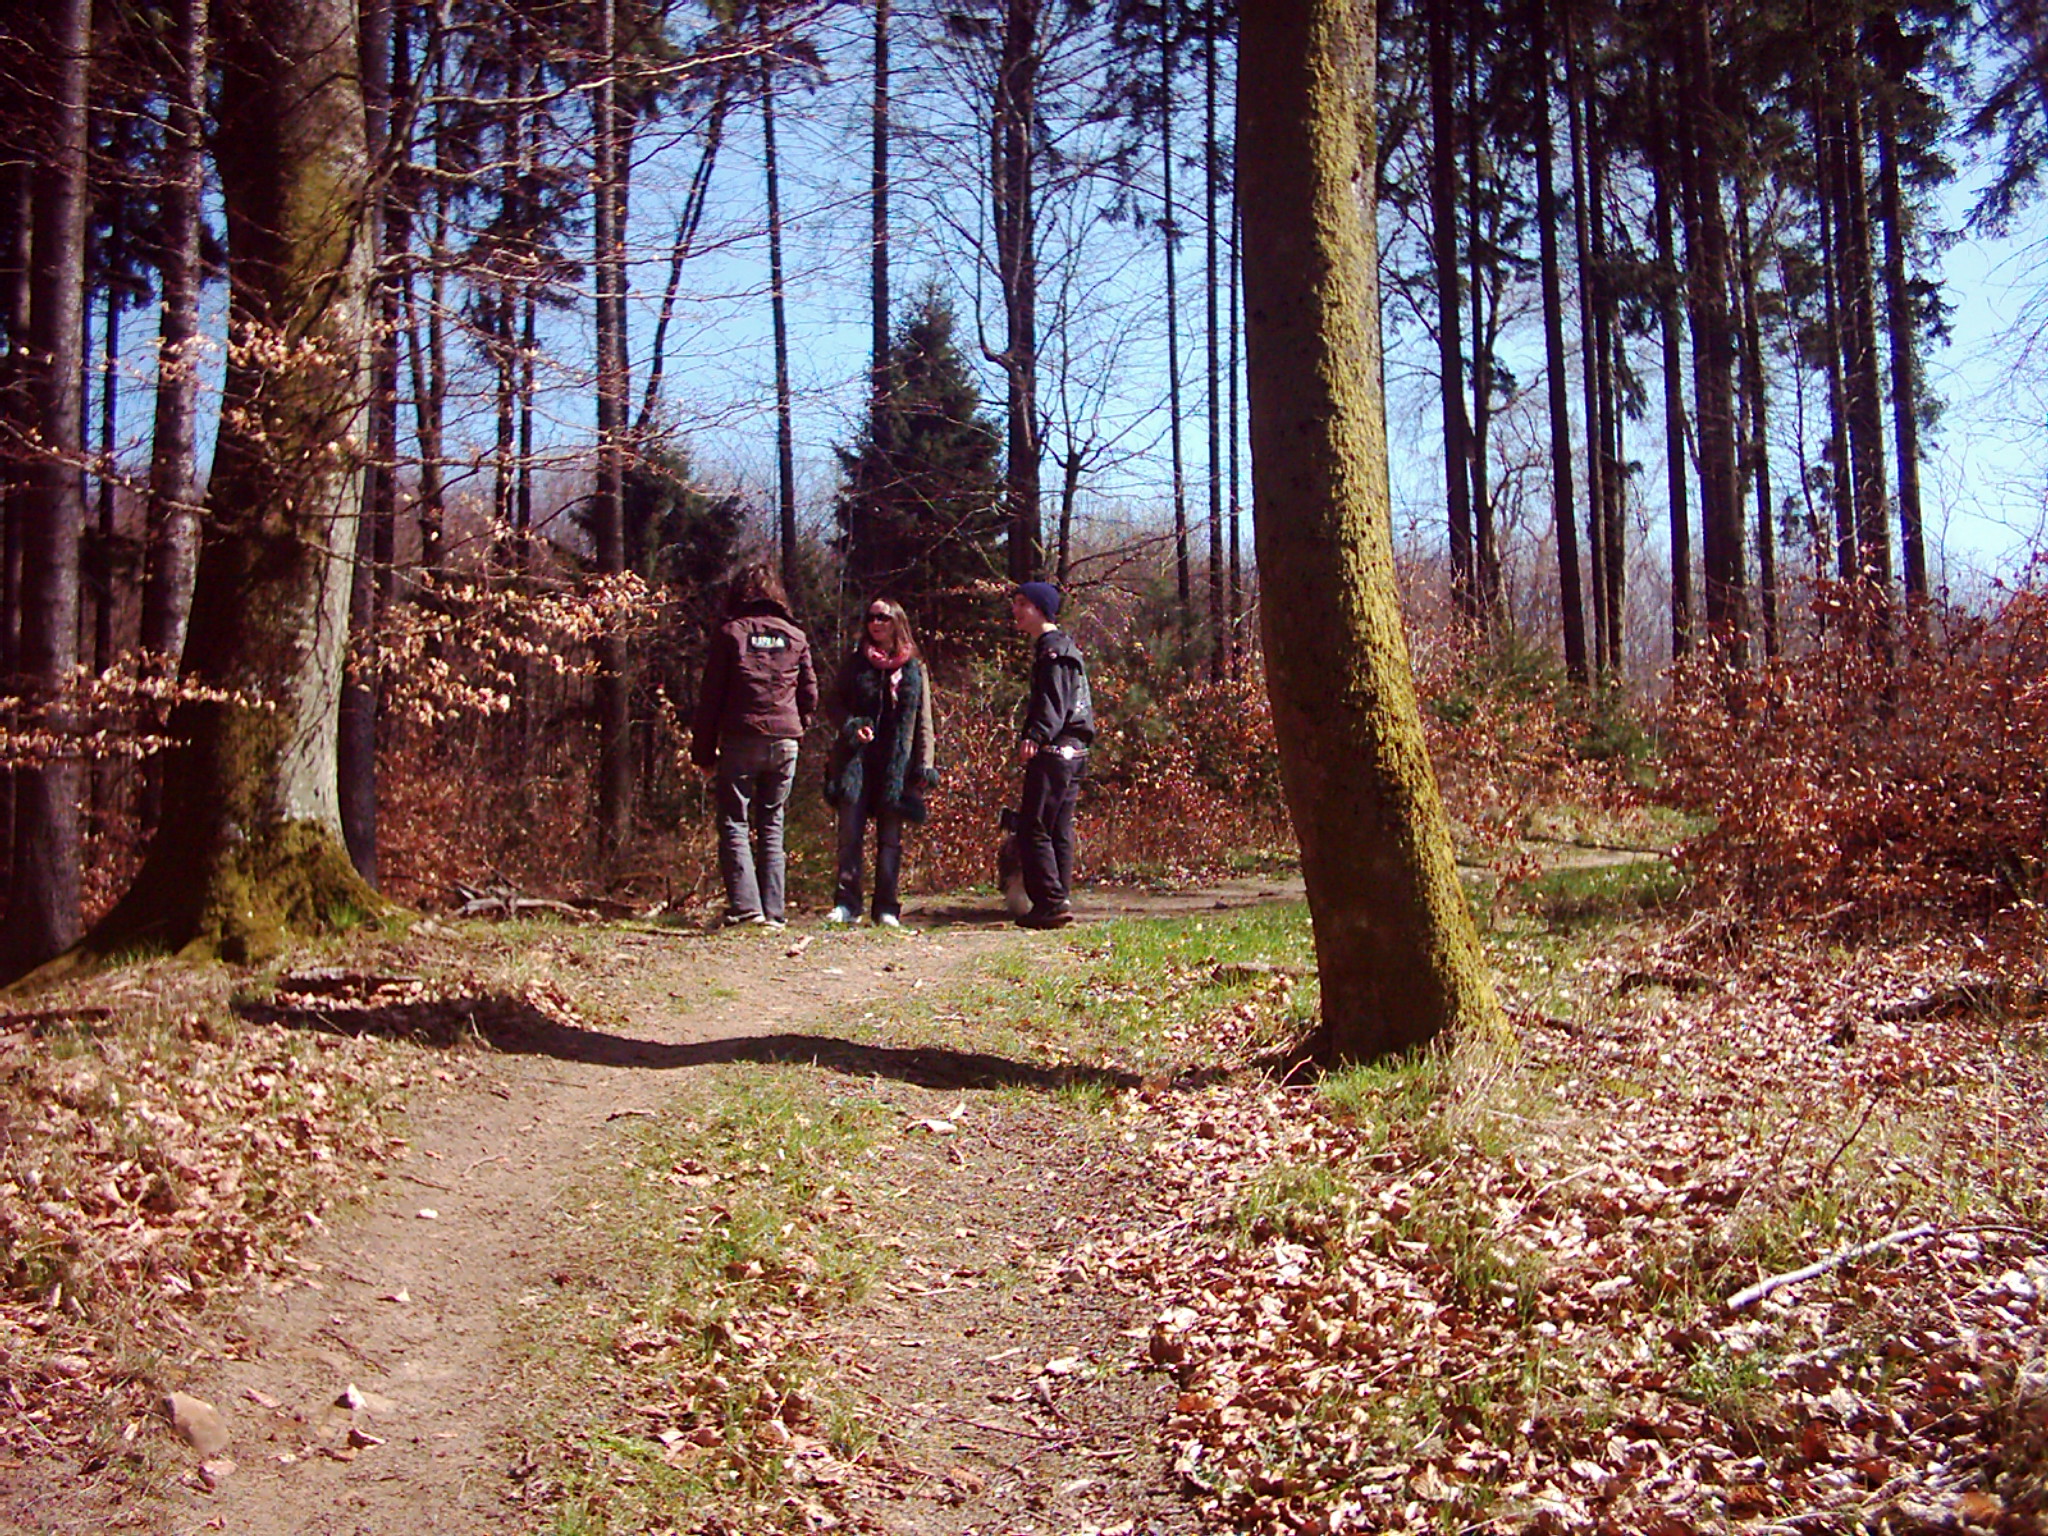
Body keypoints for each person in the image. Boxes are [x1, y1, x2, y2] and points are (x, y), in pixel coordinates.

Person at [690, 561, 817, 928]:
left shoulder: (731, 633)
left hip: (742, 737)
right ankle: (774, 913)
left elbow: (711, 697)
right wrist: (798, 726)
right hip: (785, 739)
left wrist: (703, 752)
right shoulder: (795, 636)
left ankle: (747, 909)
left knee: (734, 820)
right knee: (772, 823)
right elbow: (810, 693)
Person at [823, 597, 936, 927]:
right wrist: (852, 726)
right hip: (856, 761)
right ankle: (847, 904)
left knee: (890, 840)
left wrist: (925, 765)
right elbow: (833, 703)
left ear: (897, 621)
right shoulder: (855, 663)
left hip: (897, 767)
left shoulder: (914, 668)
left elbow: (924, 722)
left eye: (883, 617)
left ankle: (886, 907)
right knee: (850, 835)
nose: (876, 623)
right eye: (871, 617)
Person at [1009, 580, 1094, 929]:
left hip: (1056, 749)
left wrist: (1036, 735)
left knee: (1034, 825)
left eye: (1022, 604)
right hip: (1074, 750)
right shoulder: (1061, 648)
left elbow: (1054, 702)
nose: (1015, 610)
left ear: (1041, 609)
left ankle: (1049, 902)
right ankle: (1059, 897)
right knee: (1058, 826)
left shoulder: (1053, 652)